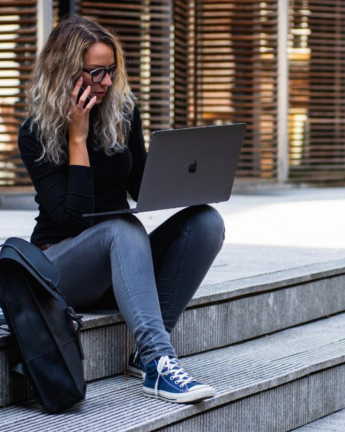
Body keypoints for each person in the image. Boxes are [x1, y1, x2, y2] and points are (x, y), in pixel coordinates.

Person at [18, 16, 225, 404]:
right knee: (123, 228)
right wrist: (77, 137)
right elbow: (72, 220)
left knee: (206, 222)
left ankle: (142, 353)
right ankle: (159, 363)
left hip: (118, 264)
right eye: (97, 73)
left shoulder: (123, 113)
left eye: (111, 70)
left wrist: (188, 177)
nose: (108, 82)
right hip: (61, 268)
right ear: (65, 72)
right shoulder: (35, 133)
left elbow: (139, 186)